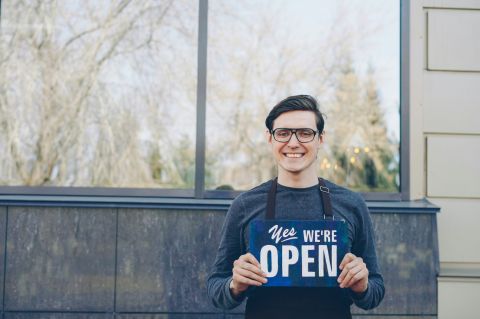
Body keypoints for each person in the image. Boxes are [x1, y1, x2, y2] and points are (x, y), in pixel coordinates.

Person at [206, 95, 384, 318]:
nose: (293, 142)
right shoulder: (244, 205)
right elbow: (215, 287)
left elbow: (376, 290)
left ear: (320, 139)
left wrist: (363, 286)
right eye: (283, 133)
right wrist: (234, 285)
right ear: (270, 139)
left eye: (305, 133)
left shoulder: (351, 204)